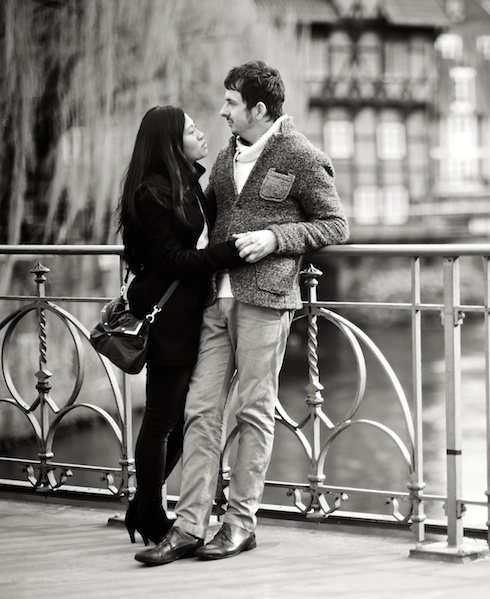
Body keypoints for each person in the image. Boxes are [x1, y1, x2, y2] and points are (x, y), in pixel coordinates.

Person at [135, 60, 349, 565]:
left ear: (258, 108)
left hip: (265, 301)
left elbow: (335, 225)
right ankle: (188, 527)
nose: (222, 111)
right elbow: (199, 213)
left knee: (253, 410)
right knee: (200, 411)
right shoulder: (229, 154)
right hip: (214, 299)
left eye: (231, 103)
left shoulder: (300, 155)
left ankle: (239, 524)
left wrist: (277, 237)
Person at [118, 106, 248, 545]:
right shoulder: (151, 194)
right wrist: (229, 253)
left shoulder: (186, 183)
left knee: (185, 416)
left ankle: (142, 506)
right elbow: (170, 260)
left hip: (195, 314)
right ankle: (151, 513)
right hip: (169, 319)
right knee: (161, 419)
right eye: (192, 130)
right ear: (173, 142)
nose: (202, 134)